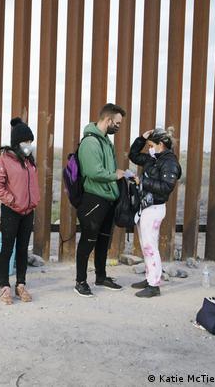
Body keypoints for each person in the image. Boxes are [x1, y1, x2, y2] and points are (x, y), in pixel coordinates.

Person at [74, 103, 127, 297]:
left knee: (104, 241)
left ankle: (101, 276)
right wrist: (115, 175)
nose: (119, 127)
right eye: (117, 123)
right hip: (93, 199)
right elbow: (92, 171)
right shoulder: (90, 142)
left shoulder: (106, 141)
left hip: (107, 199)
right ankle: (80, 281)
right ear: (107, 119)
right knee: (88, 241)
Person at [0, 117, 40, 305]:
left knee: (22, 249)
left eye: (30, 142)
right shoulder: (4, 160)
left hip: (28, 212)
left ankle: (21, 284)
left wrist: (33, 202)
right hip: (12, 211)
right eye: (26, 142)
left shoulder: (29, 161)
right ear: (17, 142)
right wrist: (12, 201)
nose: (29, 145)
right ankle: (4, 286)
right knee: (7, 249)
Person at [128, 127, 182, 298]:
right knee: (147, 245)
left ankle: (154, 284)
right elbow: (133, 156)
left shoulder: (169, 162)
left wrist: (142, 181)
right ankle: (150, 277)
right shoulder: (154, 158)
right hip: (146, 207)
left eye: (151, 144)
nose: (149, 148)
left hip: (155, 208)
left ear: (161, 145)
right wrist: (142, 139)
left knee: (150, 246)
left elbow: (167, 187)